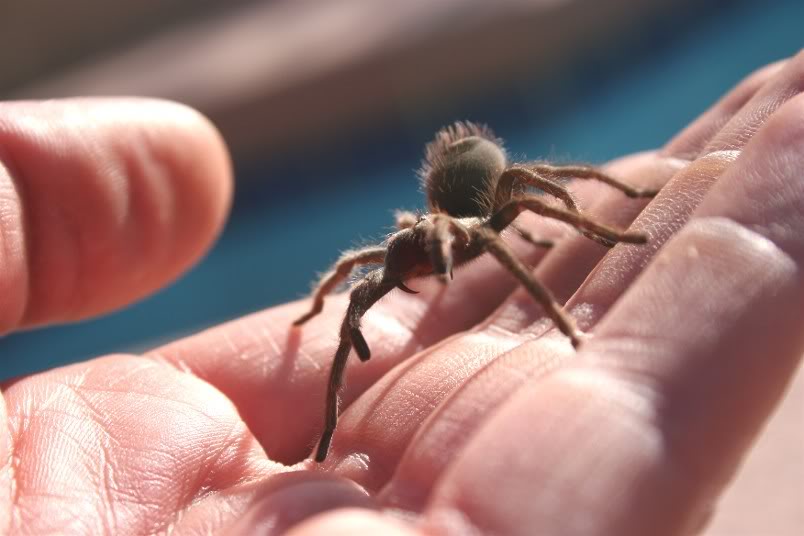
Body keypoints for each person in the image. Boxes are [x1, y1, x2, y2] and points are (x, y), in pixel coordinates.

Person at [0, 52, 802, 535]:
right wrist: (328, 320)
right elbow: (358, 273)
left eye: (443, 244)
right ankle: (323, 422)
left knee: (546, 186)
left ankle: (597, 254)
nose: (439, 255)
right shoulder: (414, 242)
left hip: (480, 192)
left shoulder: (490, 204)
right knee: (357, 291)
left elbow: (539, 189)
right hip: (446, 211)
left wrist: (603, 233)